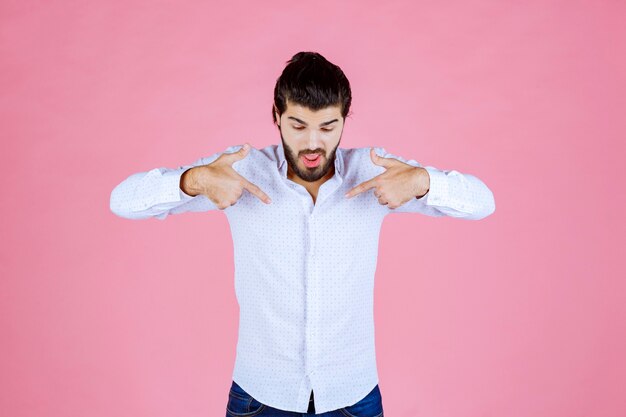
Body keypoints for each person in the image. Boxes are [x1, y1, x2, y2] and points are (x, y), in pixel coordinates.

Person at [110, 51, 496, 416]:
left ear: (346, 119)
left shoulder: (375, 171)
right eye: (298, 126)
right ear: (276, 116)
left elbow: (483, 203)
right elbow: (122, 201)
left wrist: (424, 181)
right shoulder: (240, 170)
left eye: (328, 127)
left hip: (352, 396)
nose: (313, 143)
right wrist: (192, 180)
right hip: (259, 398)